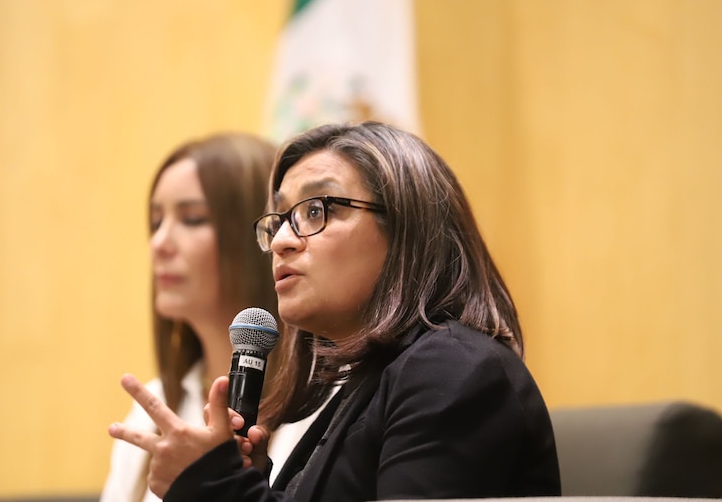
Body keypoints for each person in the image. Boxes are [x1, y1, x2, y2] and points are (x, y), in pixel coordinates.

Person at [109, 121, 562, 500]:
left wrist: (213, 488)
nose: (283, 240)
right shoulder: (368, 383)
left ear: (405, 228)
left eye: (317, 209)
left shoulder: (452, 370)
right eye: (281, 219)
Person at [101, 132, 315, 502]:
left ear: (264, 235)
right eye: (156, 222)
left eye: (193, 219)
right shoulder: (154, 404)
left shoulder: (323, 400)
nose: (159, 243)